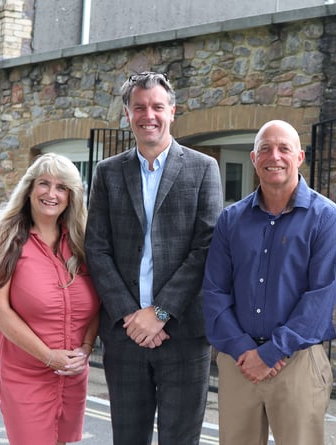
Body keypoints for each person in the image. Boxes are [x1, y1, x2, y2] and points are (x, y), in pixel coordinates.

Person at [84, 71, 223, 445]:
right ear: (127, 114)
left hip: (184, 335)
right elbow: (96, 248)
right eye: (140, 107)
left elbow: (205, 248)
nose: (150, 115)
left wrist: (159, 313)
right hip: (125, 334)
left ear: (172, 111)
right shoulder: (107, 173)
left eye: (157, 107)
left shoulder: (202, 168)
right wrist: (132, 315)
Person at [202, 119, 336, 445]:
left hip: (297, 362)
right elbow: (214, 292)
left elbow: (320, 299)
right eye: (265, 149)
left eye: (284, 148)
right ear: (254, 159)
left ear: (299, 157)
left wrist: (271, 353)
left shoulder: (327, 218)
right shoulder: (231, 220)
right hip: (239, 363)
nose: (275, 156)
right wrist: (244, 350)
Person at [0, 153, 100, 445]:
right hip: (24, 370)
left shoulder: (82, 241)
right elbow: (0, 311)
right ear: (29, 189)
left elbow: (98, 302)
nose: (51, 193)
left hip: (71, 372)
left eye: (61, 187)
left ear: (71, 197)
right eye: (44, 184)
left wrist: (85, 348)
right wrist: (48, 356)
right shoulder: (4, 238)